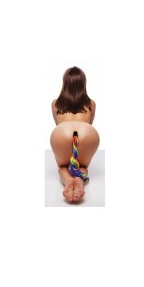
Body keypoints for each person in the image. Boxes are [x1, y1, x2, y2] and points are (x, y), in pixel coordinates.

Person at [50, 66, 100, 203]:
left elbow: (57, 125)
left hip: (62, 132)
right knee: (82, 166)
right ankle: (79, 179)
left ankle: (68, 181)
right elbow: (89, 123)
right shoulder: (91, 104)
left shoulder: (55, 104)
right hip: (87, 132)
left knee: (63, 166)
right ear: (84, 83)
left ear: (64, 83)